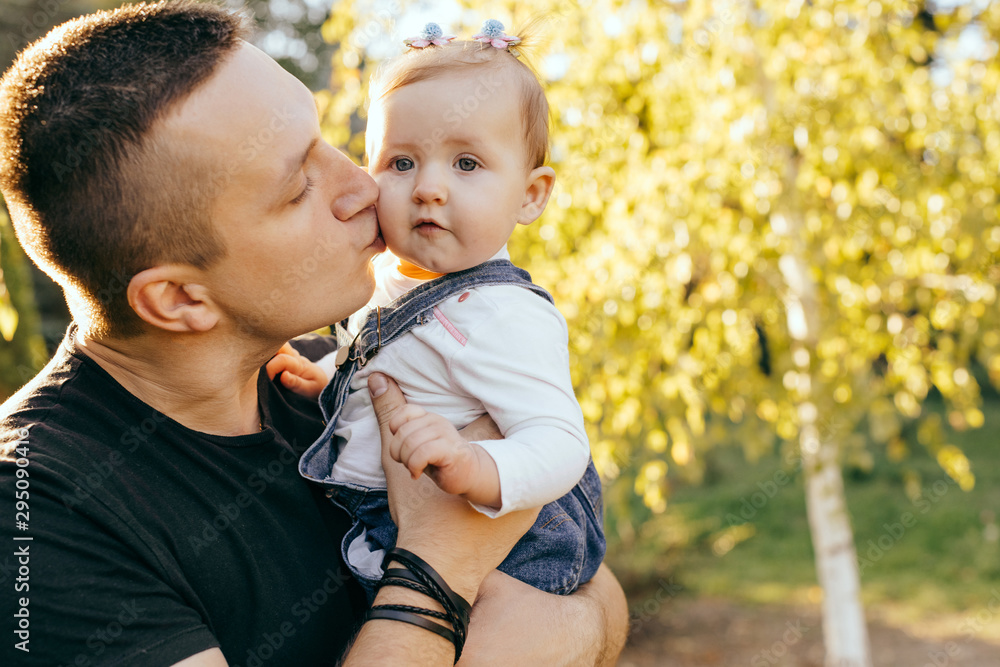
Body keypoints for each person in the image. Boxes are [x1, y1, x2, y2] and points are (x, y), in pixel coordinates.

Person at [0, 2, 627, 666]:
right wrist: (439, 563)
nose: (363, 186)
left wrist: (569, 622)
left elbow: (599, 593)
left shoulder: (338, 370)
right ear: (180, 298)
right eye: (299, 186)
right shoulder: (40, 519)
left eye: (329, 141)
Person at [268, 20, 604, 602]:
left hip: (503, 542)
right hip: (387, 520)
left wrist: (476, 464)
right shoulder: (386, 280)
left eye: (466, 164)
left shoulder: (502, 314)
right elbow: (394, 364)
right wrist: (328, 376)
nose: (428, 188)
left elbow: (560, 444)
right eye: (401, 163)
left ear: (530, 195)